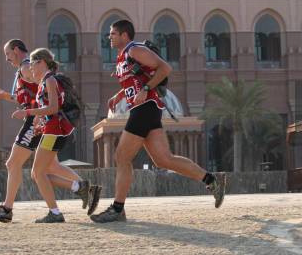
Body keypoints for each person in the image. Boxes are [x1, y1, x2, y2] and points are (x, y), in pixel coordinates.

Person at [90, 19, 225, 223]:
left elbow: (164, 68)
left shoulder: (134, 49)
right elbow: (136, 81)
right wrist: (120, 95)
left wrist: (145, 90)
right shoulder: (123, 56)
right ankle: (212, 180)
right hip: (146, 109)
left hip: (144, 109)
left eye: (113, 34)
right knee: (164, 160)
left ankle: (117, 209)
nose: (109, 37)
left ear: (124, 35)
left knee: (121, 157)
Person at [0, 40, 98, 223]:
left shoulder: (26, 68)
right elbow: (30, 97)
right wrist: (6, 96)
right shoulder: (28, 69)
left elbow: (40, 99)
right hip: (42, 120)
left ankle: (7, 208)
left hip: (37, 121)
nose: (7, 59)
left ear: (17, 50)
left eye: (8, 55)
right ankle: (83, 188)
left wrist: (31, 114)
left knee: (14, 164)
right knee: (51, 167)